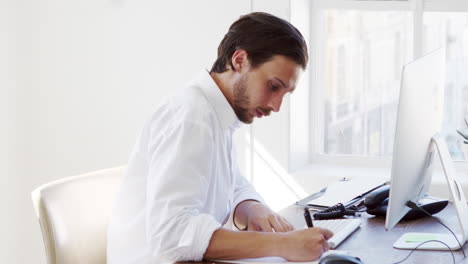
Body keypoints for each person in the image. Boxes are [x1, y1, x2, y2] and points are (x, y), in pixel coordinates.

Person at [107, 12, 333, 264]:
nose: (277, 106)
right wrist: (281, 244)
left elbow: (229, 181)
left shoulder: (216, 113)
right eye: (273, 86)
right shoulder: (191, 118)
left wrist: (250, 206)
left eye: (285, 93)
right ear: (239, 60)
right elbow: (171, 235)